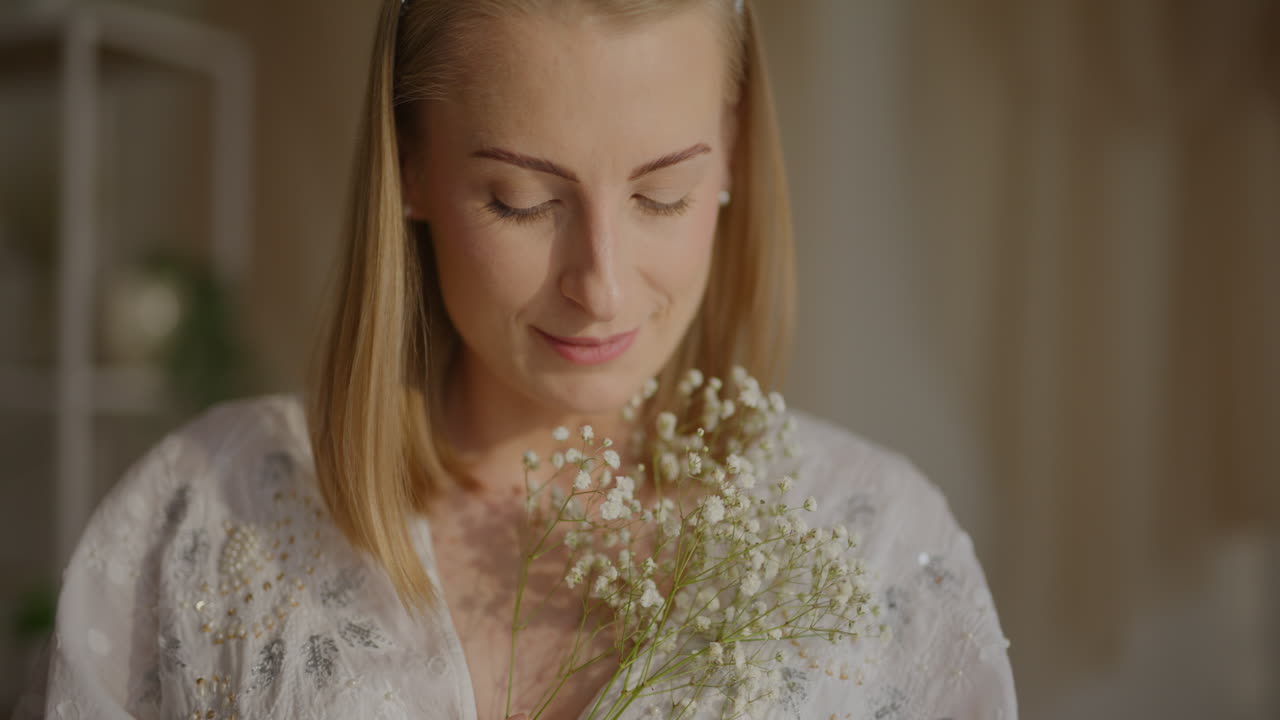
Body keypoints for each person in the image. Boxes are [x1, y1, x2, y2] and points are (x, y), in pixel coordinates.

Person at [21, 1, 1016, 718]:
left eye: (660, 195)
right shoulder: (201, 519)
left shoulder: (878, 555)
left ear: (734, 155)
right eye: (519, 200)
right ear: (409, 165)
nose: (602, 285)